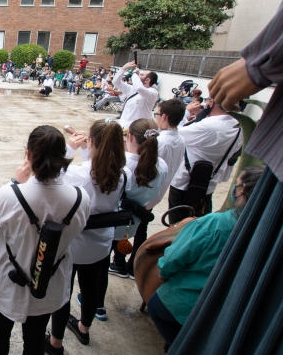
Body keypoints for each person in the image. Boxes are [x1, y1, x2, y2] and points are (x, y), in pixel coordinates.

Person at [171, 0, 283, 352]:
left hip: (188, 181)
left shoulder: (202, 127)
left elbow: (181, 137)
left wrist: (189, 116)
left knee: (184, 218)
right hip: (212, 183)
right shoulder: (235, 128)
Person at [0, 126, 90, 355]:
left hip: (9, 283)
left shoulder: (11, 195)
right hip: (48, 285)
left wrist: (14, 182)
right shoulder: (80, 197)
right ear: (64, 157)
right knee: (35, 341)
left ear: (28, 155)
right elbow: (78, 228)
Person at [150, 165, 264, 347]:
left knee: (155, 307)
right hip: (232, 308)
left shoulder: (214, 224)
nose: (235, 187)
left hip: (189, 301)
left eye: (238, 184)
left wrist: (164, 271)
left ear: (244, 192)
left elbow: (175, 256)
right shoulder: (269, 230)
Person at [46, 118, 128, 355]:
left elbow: (53, 177)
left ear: (91, 141)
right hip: (101, 244)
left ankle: (55, 342)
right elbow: (96, 172)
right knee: (90, 288)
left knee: (64, 292)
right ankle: (84, 328)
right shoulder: (120, 175)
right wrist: (87, 151)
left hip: (74, 245)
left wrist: (70, 148)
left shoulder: (78, 174)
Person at [111, 99, 187, 278]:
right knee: (138, 230)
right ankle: (132, 266)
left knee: (125, 231)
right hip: (153, 195)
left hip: (137, 198)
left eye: (157, 113)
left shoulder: (136, 161)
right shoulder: (178, 140)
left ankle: (122, 264)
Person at [101, 119, 168, 312]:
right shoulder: (161, 165)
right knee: (122, 243)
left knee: (101, 262)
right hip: (135, 219)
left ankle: (98, 304)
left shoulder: (121, 164)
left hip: (112, 219)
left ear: (129, 137)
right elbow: (158, 194)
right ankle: (121, 264)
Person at [167, 97, 241, 222]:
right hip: (208, 185)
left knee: (177, 227)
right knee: (199, 222)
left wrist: (186, 112)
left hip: (184, 184)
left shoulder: (208, 126)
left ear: (211, 103)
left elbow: (174, 134)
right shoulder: (238, 126)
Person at [112, 62, 159, 129]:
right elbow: (116, 82)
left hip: (139, 130)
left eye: (141, 75)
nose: (139, 76)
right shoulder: (132, 89)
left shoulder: (153, 93)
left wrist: (135, 74)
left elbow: (139, 88)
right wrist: (124, 68)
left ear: (148, 80)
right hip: (124, 127)